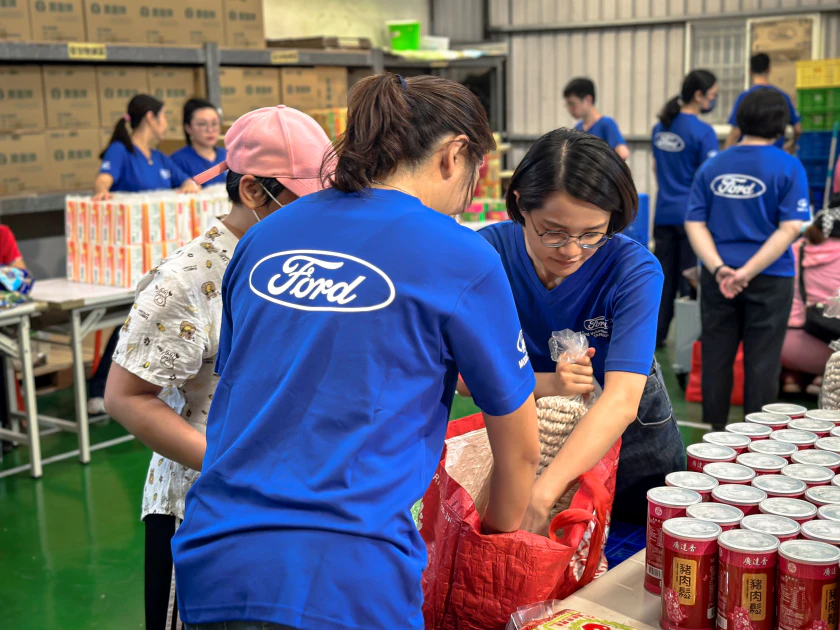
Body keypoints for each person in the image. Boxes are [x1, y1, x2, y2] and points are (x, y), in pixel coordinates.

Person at [171, 74, 540, 630]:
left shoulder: (263, 237)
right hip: (348, 577)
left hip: (217, 559)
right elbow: (519, 450)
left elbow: (247, 392)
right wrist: (492, 549)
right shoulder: (461, 255)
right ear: (454, 153)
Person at [103, 106, 329, 630]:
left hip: (285, 490)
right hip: (202, 501)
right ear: (253, 191)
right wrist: (232, 463)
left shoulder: (298, 262)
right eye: (304, 199)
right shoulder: (188, 279)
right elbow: (125, 397)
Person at [473, 128, 683, 530]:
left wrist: (543, 494)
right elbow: (468, 379)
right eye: (553, 231)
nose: (571, 250)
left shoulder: (633, 270)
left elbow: (621, 400)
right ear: (521, 204)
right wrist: (549, 383)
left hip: (631, 442)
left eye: (591, 234)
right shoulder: (486, 257)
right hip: (530, 436)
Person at [686, 88, 810, 431]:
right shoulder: (789, 166)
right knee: (762, 363)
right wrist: (747, 272)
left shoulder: (712, 166)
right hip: (771, 277)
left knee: (716, 357)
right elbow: (791, 227)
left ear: (739, 121)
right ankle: (759, 443)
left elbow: (694, 222)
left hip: (719, 278)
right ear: (780, 125)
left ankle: (713, 439)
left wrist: (719, 268)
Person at [88, 94, 199, 415]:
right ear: (151, 117)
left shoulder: (160, 159)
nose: (166, 124)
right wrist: (101, 192)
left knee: (146, 320)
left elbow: (186, 182)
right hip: (128, 261)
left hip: (160, 257)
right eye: (164, 117)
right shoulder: (121, 151)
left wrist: (189, 186)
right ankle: (102, 387)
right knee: (130, 321)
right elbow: (102, 180)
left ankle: (146, 384)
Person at [652, 70, 720, 347]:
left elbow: (656, 168)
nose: (714, 100)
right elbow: (709, 180)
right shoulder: (704, 133)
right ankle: (687, 344)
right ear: (699, 95)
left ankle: (655, 337)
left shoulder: (660, 127)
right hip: (691, 218)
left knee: (662, 280)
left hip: (663, 213)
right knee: (690, 281)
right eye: (712, 95)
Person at [781, 209, 840, 395]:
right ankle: (824, 378)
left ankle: (792, 377)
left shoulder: (794, 248)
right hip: (829, 347)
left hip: (782, 345)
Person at [725, 53, 802, 153]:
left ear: (750, 71)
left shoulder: (745, 97)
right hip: (774, 154)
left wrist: (725, 155)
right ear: (769, 69)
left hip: (749, 154)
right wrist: (791, 145)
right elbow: (798, 129)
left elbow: (736, 132)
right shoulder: (782, 97)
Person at [564, 77, 630, 160]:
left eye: (572, 104)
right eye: (568, 105)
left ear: (588, 99)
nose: (570, 109)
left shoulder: (606, 124)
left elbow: (623, 153)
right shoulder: (578, 128)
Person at [169, 98, 227, 186]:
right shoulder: (177, 161)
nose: (210, 130)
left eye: (214, 123)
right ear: (188, 128)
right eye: (202, 124)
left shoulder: (228, 156)